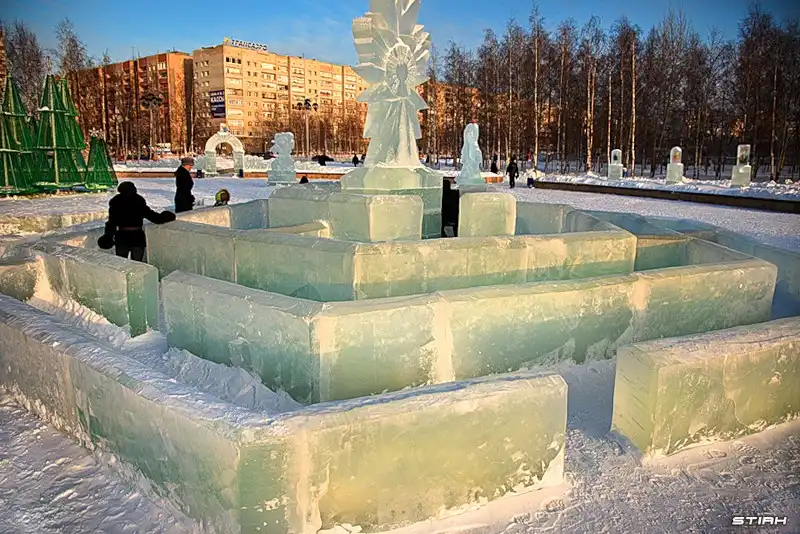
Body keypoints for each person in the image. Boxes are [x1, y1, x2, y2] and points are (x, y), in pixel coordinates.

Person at [97, 182, 175, 262]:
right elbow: (152, 216)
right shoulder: (138, 200)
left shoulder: (116, 201)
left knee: (121, 263)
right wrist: (165, 217)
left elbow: (112, 222)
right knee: (137, 263)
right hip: (137, 237)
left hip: (122, 237)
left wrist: (108, 235)